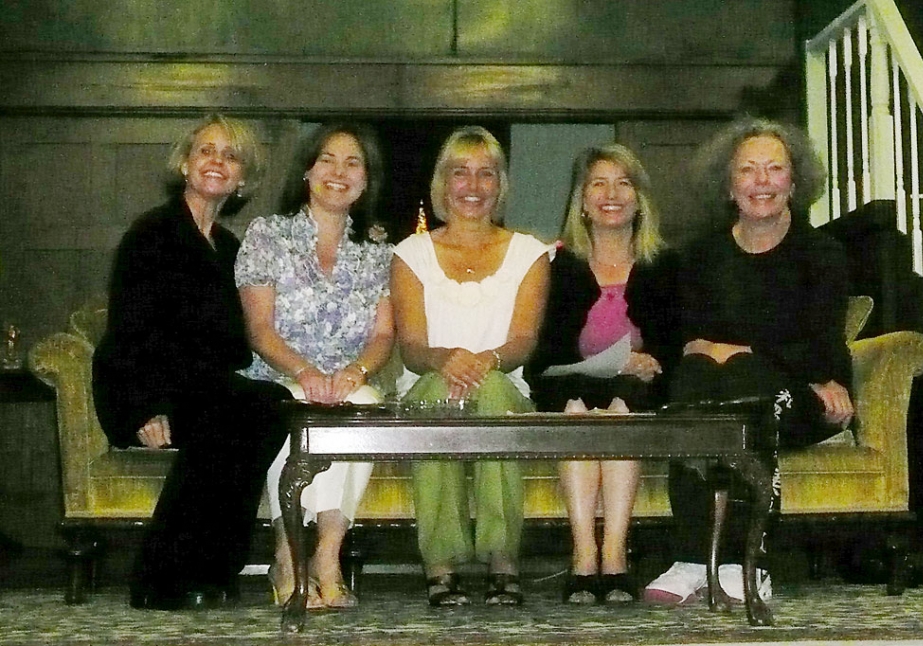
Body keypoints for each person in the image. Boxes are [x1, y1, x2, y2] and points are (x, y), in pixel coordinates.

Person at [642, 117, 854, 606]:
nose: (762, 182)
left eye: (775, 169)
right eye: (748, 171)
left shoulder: (821, 253)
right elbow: (691, 344)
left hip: (805, 393)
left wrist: (746, 351)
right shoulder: (700, 256)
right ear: (728, 184)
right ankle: (695, 558)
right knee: (699, 378)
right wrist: (735, 352)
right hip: (716, 387)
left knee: (741, 381)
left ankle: (748, 559)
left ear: (795, 182)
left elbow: (820, 346)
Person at [92, 114, 292, 611]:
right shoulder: (153, 233)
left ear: (242, 178)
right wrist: (146, 408)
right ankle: (159, 577)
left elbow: (240, 342)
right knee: (238, 411)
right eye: (206, 151)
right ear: (185, 163)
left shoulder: (230, 248)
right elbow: (129, 331)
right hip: (141, 388)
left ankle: (212, 568)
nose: (217, 162)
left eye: (230, 156)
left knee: (269, 404)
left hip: (208, 390)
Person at [235, 123, 394, 609]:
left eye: (353, 163)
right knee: (301, 405)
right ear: (307, 170)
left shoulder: (377, 251)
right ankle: (287, 556)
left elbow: (383, 334)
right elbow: (260, 331)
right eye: (327, 159)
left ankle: (327, 555)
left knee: (362, 407)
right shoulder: (269, 235)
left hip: (346, 378)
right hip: (280, 376)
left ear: (366, 180)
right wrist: (304, 371)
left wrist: (357, 373)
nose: (338, 172)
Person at [390, 126, 551, 607]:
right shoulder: (409, 254)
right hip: (428, 383)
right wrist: (447, 359)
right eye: (461, 173)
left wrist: (488, 361)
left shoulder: (530, 252)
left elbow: (523, 340)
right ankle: (440, 567)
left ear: (500, 186)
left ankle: (504, 562)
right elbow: (413, 348)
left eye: (486, 174)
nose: (473, 186)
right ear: (443, 184)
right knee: (441, 394)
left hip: (504, 383)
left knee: (497, 393)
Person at [525, 144, 679, 604]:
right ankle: (583, 557)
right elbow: (545, 351)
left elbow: (676, 341)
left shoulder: (666, 265)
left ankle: (614, 558)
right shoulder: (558, 267)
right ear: (583, 201)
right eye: (599, 183)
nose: (611, 194)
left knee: (620, 405)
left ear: (639, 198)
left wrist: (646, 361)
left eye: (624, 182)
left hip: (641, 387)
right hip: (570, 381)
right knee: (575, 404)